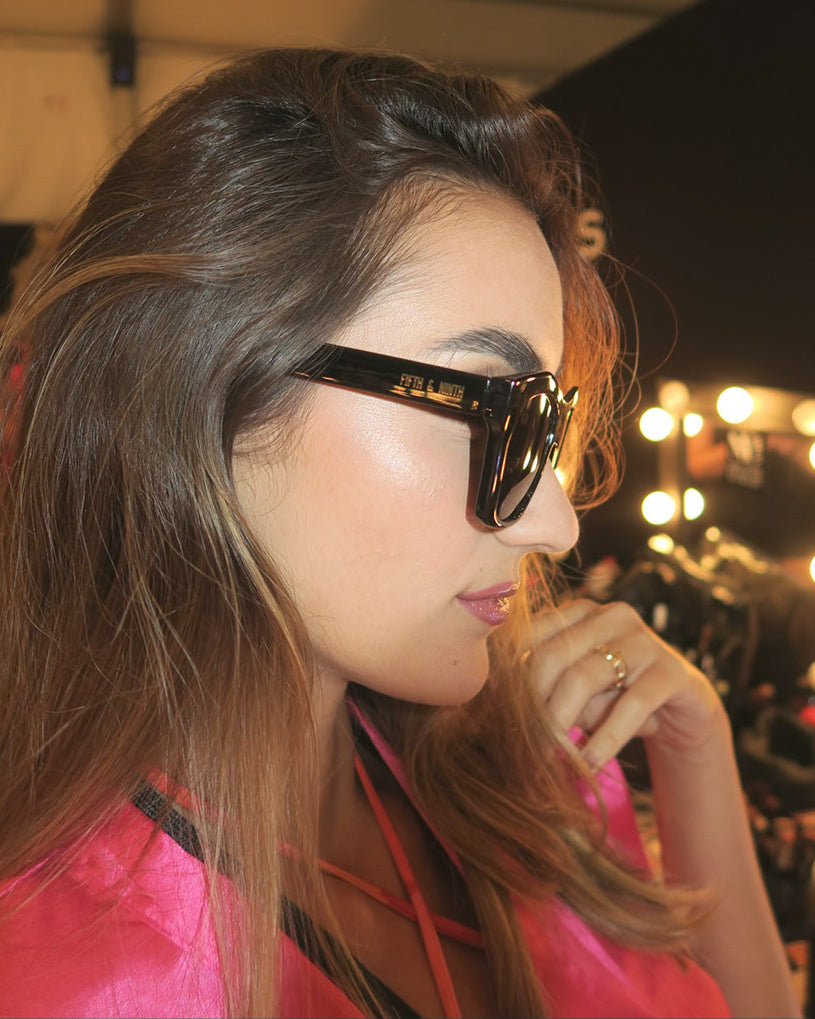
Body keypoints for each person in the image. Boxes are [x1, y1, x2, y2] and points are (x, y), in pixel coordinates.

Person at [0, 48, 798, 1018]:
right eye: (484, 408)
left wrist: (694, 758)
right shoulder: (81, 974)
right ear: (207, 392)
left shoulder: (523, 774)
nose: (552, 521)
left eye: (541, 422)